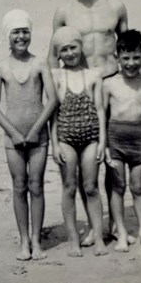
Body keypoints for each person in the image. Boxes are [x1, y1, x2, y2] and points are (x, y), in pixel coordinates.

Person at [47, 0, 129, 245]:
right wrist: (52, 97)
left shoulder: (116, 6)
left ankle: (115, 224)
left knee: (112, 159)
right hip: (78, 90)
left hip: (111, 85)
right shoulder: (63, 11)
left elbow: (127, 49)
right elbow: (52, 57)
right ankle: (96, 227)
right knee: (84, 164)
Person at [0, 9, 57, 261]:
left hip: (39, 137)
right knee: (19, 186)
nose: (21, 37)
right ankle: (24, 241)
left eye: (25, 31)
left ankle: (37, 242)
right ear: (8, 35)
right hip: (13, 140)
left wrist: (37, 129)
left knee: (36, 186)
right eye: (16, 32)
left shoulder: (40, 63)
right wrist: (15, 133)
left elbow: (52, 100)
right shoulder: (1, 68)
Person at [50, 26, 108, 257]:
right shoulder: (56, 76)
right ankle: (74, 240)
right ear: (59, 54)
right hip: (66, 138)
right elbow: (53, 113)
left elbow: (101, 110)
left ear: (81, 47)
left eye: (73, 47)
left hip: (91, 137)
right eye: (64, 50)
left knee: (91, 187)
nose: (70, 53)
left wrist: (102, 142)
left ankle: (99, 238)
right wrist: (54, 144)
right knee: (69, 187)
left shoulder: (93, 75)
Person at [102, 30, 141, 252]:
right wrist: (105, 146)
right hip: (115, 139)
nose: (131, 63)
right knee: (117, 187)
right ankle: (122, 233)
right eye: (125, 58)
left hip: (139, 140)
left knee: (138, 187)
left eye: (136, 57)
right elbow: (103, 117)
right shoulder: (109, 84)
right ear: (117, 57)